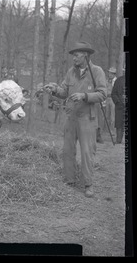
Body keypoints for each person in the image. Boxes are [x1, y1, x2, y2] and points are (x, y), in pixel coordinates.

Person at [44, 41, 107, 198]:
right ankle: (70, 181)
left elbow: (102, 94)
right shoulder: (71, 72)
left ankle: (88, 184)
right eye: (73, 56)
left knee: (87, 152)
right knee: (68, 150)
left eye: (77, 56)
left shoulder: (97, 71)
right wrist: (54, 90)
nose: (74, 59)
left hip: (87, 118)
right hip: (71, 117)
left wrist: (84, 96)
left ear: (85, 55)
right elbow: (64, 91)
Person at [111, 67, 126, 144]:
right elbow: (113, 93)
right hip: (120, 106)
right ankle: (118, 139)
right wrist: (118, 102)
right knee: (119, 123)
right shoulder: (118, 80)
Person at [105, 67, 117, 132]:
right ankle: (107, 130)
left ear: (114, 74)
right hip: (107, 99)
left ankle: (112, 130)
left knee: (113, 116)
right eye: (109, 73)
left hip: (113, 99)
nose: (109, 74)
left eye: (110, 73)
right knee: (107, 115)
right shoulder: (107, 81)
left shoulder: (116, 81)